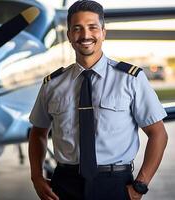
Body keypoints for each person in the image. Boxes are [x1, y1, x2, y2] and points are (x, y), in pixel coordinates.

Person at [28, 1, 168, 200]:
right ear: (69, 35)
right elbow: (37, 133)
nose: (85, 35)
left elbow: (158, 134)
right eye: (77, 28)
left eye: (92, 27)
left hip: (115, 184)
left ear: (103, 32)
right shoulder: (52, 84)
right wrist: (36, 177)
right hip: (64, 184)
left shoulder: (131, 79)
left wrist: (140, 185)